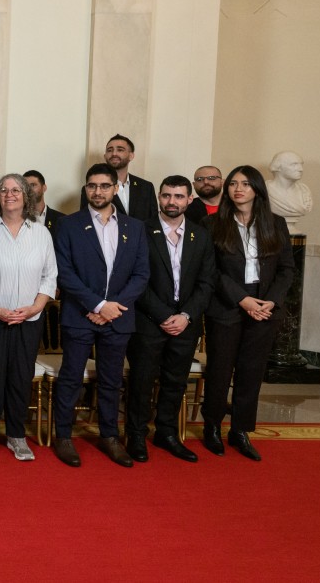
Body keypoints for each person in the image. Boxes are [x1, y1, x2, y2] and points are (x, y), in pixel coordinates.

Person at [53, 163, 149, 467]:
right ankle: (64, 436)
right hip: (79, 315)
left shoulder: (135, 227)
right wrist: (97, 306)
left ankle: (110, 437)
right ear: (86, 189)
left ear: (115, 188)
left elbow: (141, 274)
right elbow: (64, 273)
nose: (98, 191)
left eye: (104, 186)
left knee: (111, 380)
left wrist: (112, 308)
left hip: (118, 317)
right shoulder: (68, 225)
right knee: (71, 379)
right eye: (92, 186)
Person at [201, 165, 295, 461]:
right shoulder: (212, 224)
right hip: (228, 306)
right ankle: (212, 427)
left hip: (265, 306)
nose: (238, 188)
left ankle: (240, 431)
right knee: (220, 369)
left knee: (251, 372)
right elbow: (211, 271)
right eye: (233, 183)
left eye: (245, 183)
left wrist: (271, 301)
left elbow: (286, 269)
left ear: (257, 189)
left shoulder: (276, 223)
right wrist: (242, 299)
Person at [124, 175, 215, 463]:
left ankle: (166, 433)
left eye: (178, 196)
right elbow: (134, 278)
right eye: (166, 195)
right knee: (141, 380)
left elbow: (207, 282)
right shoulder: (139, 230)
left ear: (190, 199)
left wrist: (186, 315)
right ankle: (136, 435)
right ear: (159, 198)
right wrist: (164, 314)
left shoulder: (201, 235)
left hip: (186, 323)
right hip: (148, 321)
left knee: (175, 381)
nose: (171, 201)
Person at [0, 174, 57, 462]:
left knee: (21, 377)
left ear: (26, 196)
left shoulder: (41, 233)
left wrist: (34, 308)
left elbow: (50, 276)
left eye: (16, 190)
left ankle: (17, 436)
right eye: (4, 190)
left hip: (29, 320)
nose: (10, 194)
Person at [77, 135, 156, 221]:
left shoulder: (146, 187)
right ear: (105, 156)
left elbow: (153, 221)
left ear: (131, 155)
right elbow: (85, 220)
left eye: (120, 150)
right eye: (110, 150)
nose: (114, 154)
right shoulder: (92, 189)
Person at [266, 151, 313, 232]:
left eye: (301, 164)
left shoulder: (304, 190)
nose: (301, 169)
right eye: (294, 164)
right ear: (278, 167)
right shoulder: (265, 189)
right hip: (274, 232)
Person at [23, 169, 66, 236]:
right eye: (25, 186)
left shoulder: (61, 219)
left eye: (33, 185)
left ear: (44, 188)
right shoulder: (17, 217)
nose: (29, 190)